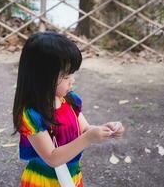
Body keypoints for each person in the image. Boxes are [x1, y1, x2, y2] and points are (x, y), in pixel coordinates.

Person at [13, 31, 125, 187]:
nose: (72, 81)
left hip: (71, 177)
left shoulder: (69, 100)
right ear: (41, 78)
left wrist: (104, 130)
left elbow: (85, 129)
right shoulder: (31, 115)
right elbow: (52, 158)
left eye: (72, 74)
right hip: (44, 182)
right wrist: (88, 138)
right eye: (66, 77)